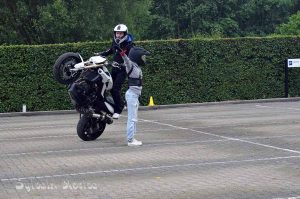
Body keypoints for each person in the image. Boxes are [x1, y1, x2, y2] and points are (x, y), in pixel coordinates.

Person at [99, 24, 134, 119]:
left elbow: (131, 58)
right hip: (114, 68)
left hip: (122, 70)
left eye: (120, 33)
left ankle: (119, 109)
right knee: (108, 86)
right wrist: (101, 54)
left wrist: (124, 62)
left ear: (125, 34)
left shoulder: (129, 44)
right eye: (117, 33)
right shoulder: (115, 41)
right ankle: (114, 104)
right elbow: (111, 50)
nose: (118, 35)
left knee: (115, 89)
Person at [119, 46, 150, 146]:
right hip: (132, 95)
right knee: (132, 119)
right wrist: (124, 55)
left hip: (134, 96)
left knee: (134, 118)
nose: (144, 59)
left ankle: (132, 138)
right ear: (137, 57)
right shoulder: (131, 66)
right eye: (142, 57)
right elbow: (127, 62)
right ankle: (130, 140)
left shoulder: (137, 66)